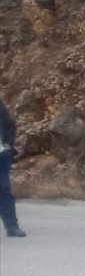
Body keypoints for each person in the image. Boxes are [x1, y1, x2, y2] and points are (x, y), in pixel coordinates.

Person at [0, 99, 24, 238]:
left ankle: (12, 226)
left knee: (4, 189)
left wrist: (9, 143)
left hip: (1, 154)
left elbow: (9, 124)